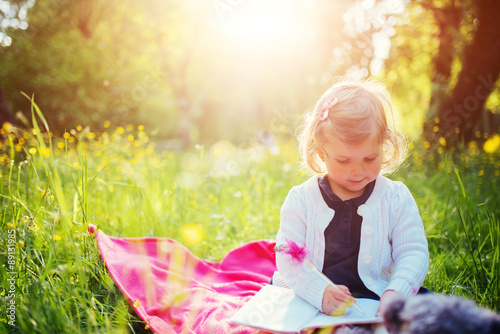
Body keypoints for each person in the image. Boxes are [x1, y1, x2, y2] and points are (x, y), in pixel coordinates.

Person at [270, 78, 429, 317]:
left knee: (435, 317)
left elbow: (413, 251)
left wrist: (396, 293)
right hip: (310, 297)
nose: (357, 171)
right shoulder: (301, 200)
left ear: (383, 146)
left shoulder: (395, 198)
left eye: (369, 158)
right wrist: (319, 293)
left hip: (378, 296)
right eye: (344, 161)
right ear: (322, 153)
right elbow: (288, 256)